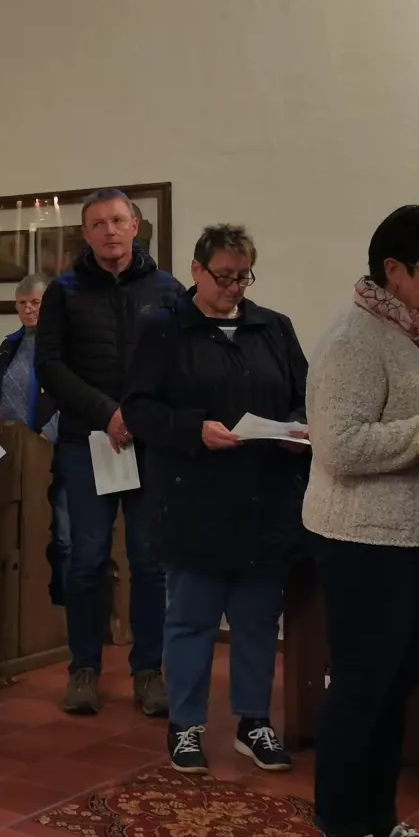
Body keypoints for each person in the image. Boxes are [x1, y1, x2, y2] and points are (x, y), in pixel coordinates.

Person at [305, 206, 419, 837]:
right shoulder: (354, 338)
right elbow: (339, 447)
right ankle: (342, 826)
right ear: (394, 270)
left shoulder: (417, 334)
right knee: (363, 684)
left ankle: (379, 819)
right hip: (363, 540)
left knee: (396, 684)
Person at [122, 225, 309, 775]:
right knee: (192, 619)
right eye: (222, 276)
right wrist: (192, 428)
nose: (233, 288)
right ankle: (186, 726)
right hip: (193, 497)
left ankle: (254, 722)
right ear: (197, 271)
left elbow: (303, 396)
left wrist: (295, 429)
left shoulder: (274, 328)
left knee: (256, 619)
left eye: (242, 276)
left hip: (264, 495)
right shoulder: (163, 329)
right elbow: (139, 410)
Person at [35, 189, 183, 717]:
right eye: (98, 223)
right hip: (87, 441)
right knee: (86, 560)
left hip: (150, 446)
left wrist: (140, 417)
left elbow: (180, 365)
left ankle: (149, 670)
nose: (109, 231)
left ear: (136, 227)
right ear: (86, 234)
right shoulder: (64, 292)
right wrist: (106, 413)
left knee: (150, 562)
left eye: (118, 220)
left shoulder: (167, 291)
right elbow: (49, 366)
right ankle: (84, 668)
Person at [0, 274, 67, 605]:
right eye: (22, 303)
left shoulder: (66, 346)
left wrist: (49, 434)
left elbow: (73, 397)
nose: (28, 309)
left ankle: (60, 611)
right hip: (9, 453)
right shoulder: (9, 345)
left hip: (51, 449)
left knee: (61, 534)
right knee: (11, 535)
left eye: (36, 302)